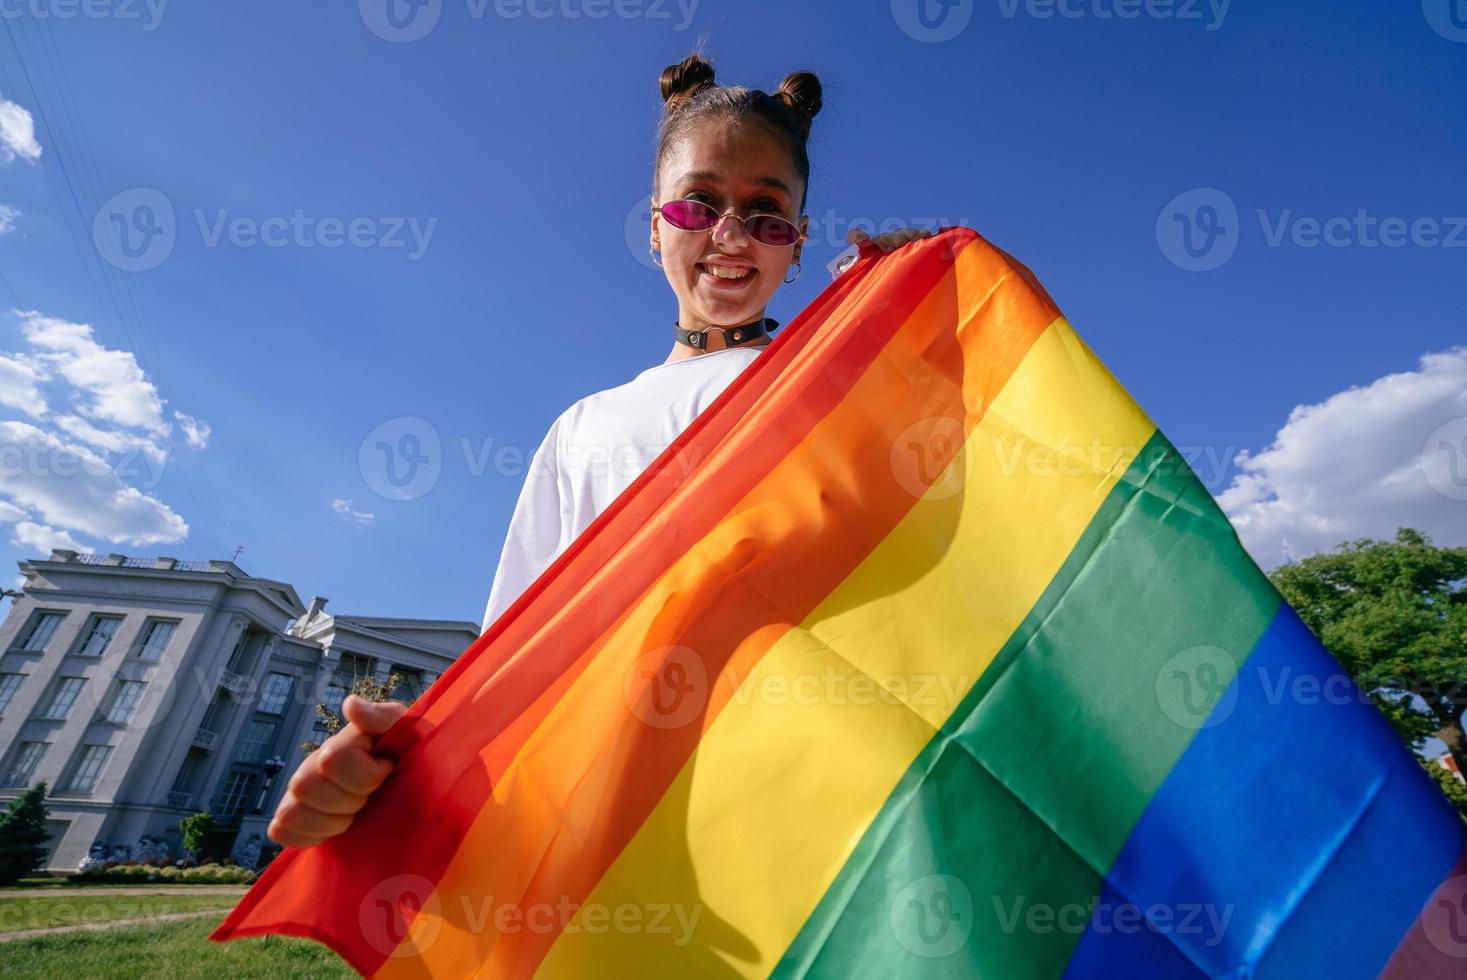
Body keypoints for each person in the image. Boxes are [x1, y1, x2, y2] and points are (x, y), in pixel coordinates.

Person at [268, 51, 933, 850]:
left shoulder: (847, 377)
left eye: (765, 214)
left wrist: (931, 334)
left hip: (840, 812)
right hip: (644, 833)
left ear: (796, 244)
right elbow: (515, 669)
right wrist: (395, 769)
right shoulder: (583, 428)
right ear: (654, 228)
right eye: (697, 206)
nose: (730, 234)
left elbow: (955, 544)